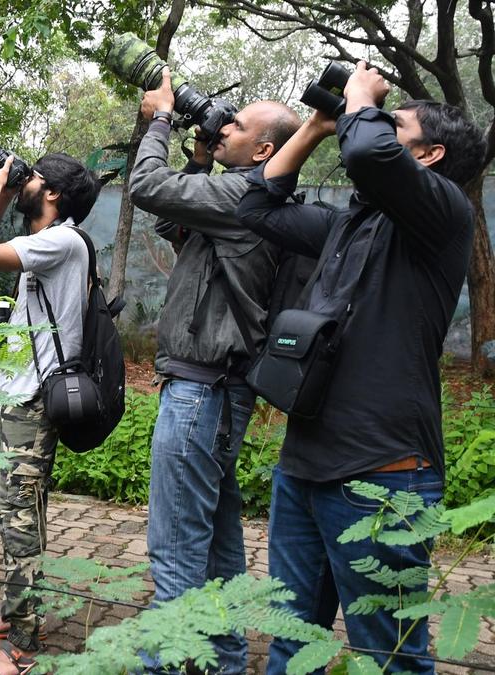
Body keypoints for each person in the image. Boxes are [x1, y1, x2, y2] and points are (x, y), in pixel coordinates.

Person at [235, 62, 487, 673]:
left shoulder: (443, 215)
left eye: (392, 121)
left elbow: (371, 153)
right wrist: (319, 127)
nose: (369, 119)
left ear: (428, 156)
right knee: (292, 641)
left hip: (383, 471)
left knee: (390, 656)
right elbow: (258, 207)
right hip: (305, 465)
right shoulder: (353, 220)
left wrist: (359, 97)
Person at [129, 69, 302, 673]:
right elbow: (176, 225)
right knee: (222, 551)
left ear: (264, 151)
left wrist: (158, 118)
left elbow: (147, 186)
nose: (223, 124)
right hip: (219, 396)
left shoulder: (246, 196)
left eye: (236, 124)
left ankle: (165, 665)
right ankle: (226, 663)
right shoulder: (251, 200)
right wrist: (200, 157)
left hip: (200, 395)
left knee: (176, 552)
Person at [0, 150, 101, 675]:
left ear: (54, 194)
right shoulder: (56, 242)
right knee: (20, 510)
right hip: (28, 394)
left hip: (35, 400)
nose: (23, 181)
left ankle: (21, 645)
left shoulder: (59, 240)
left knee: (17, 516)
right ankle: (16, 610)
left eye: (32, 177)